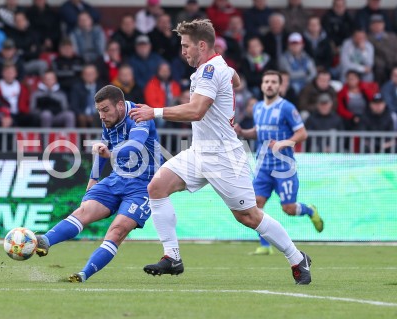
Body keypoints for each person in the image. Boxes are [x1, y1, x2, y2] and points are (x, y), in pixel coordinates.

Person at [129, 19, 313, 285]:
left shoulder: (209, 72)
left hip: (224, 156)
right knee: (156, 187)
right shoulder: (217, 67)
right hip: (199, 151)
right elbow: (235, 78)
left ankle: (297, 258)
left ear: (201, 45)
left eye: (186, 46)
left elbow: (196, 110)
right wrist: (225, 70)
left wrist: (153, 112)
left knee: (249, 217)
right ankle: (172, 257)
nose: (183, 51)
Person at [34, 85, 161, 283]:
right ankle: (45, 240)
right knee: (83, 211)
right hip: (117, 179)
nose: (101, 115)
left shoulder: (139, 114)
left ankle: (83, 274)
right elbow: (103, 148)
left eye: (105, 110)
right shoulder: (108, 120)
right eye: (99, 110)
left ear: (120, 105)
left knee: (117, 230)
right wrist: (93, 179)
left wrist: (111, 153)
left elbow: (135, 145)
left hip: (143, 186)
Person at [234, 70, 324, 255]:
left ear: (280, 86)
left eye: (273, 82)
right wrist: (243, 132)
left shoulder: (287, 108)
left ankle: (309, 210)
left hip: (284, 167)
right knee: (256, 205)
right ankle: (265, 246)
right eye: (266, 81)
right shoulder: (258, 107)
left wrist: (283, 143)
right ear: (261, 85)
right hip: (263, 166)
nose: (269, 85)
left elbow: (302, 133)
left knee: (288, 208)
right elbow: (259, 131)